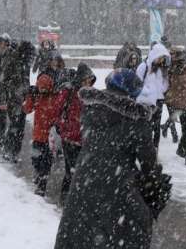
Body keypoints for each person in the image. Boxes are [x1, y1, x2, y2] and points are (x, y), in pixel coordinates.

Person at [54, 69, 172, 249]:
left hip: (83, 184)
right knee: (122, 236)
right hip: (117, 192)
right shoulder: (136, 119)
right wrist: (156, 190)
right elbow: (149, 165)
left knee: (79, 235)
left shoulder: (90, 109)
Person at [55, 63, 96, 204]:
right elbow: (58, 110)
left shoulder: (92, 94)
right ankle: (66, 199)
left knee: (81, 171)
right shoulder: (70, 92)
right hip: (70, 138)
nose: (88, 83)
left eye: (90, 80)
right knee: (71, 170)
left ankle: (75, 199)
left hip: (84, 138)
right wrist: (63, 127)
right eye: (85, 80)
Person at [22, 65, 59, 196]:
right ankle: (38, 175)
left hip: (49, 137)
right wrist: (29, 96)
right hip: (38, 135)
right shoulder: (36, 96)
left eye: (44, 88)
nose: (42, 90)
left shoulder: (55, 97)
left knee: (46, 163)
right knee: (35, 160)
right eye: (40, 88)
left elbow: (58, 114)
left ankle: (42, 186)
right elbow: (27, 109)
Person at [2, 40, 36, 162]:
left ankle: (16, 152)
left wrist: (29, 91)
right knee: (13, 126)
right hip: (13, 99)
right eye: (30, 55)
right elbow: (5, 80)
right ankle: (7, 149)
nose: (31, 59)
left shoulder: (25, 64)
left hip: (23, 100)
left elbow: (25, 81)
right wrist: (13, 92)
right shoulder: (13, 61)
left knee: (20, 128)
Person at [135, 42, 171, 151]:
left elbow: (165, 83)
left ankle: (155, 150)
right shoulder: (143, 67)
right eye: (160, 57)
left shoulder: (162, 69)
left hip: (159, 100)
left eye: (162, 58)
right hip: (146, 102)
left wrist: (161, 91)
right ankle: (146, 150)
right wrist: (147, 92)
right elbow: (137, 83)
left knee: (156, 127)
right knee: (146, 127)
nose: (161, 60)